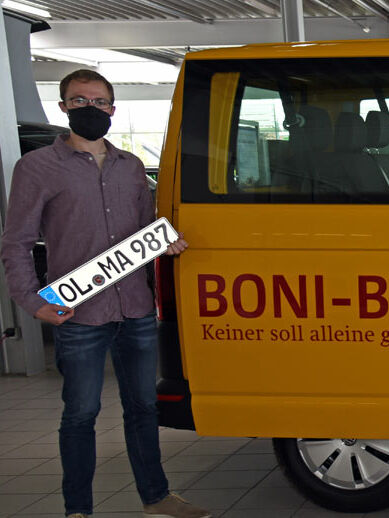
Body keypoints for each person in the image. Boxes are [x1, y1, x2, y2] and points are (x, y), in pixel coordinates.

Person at [1, 70, 208, 518]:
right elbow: (15, 243)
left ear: (113, 109)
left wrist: (165, 240)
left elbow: (143, 231)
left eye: (98, 101)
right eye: (78, 101)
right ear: (63, 108)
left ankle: (156, 497)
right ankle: (78, 509)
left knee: (143, 410)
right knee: (80, 416)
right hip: (76, 317)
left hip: (134, 310)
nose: (89, 108)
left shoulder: (131, 167)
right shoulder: (35, 168)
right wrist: (34, 303)